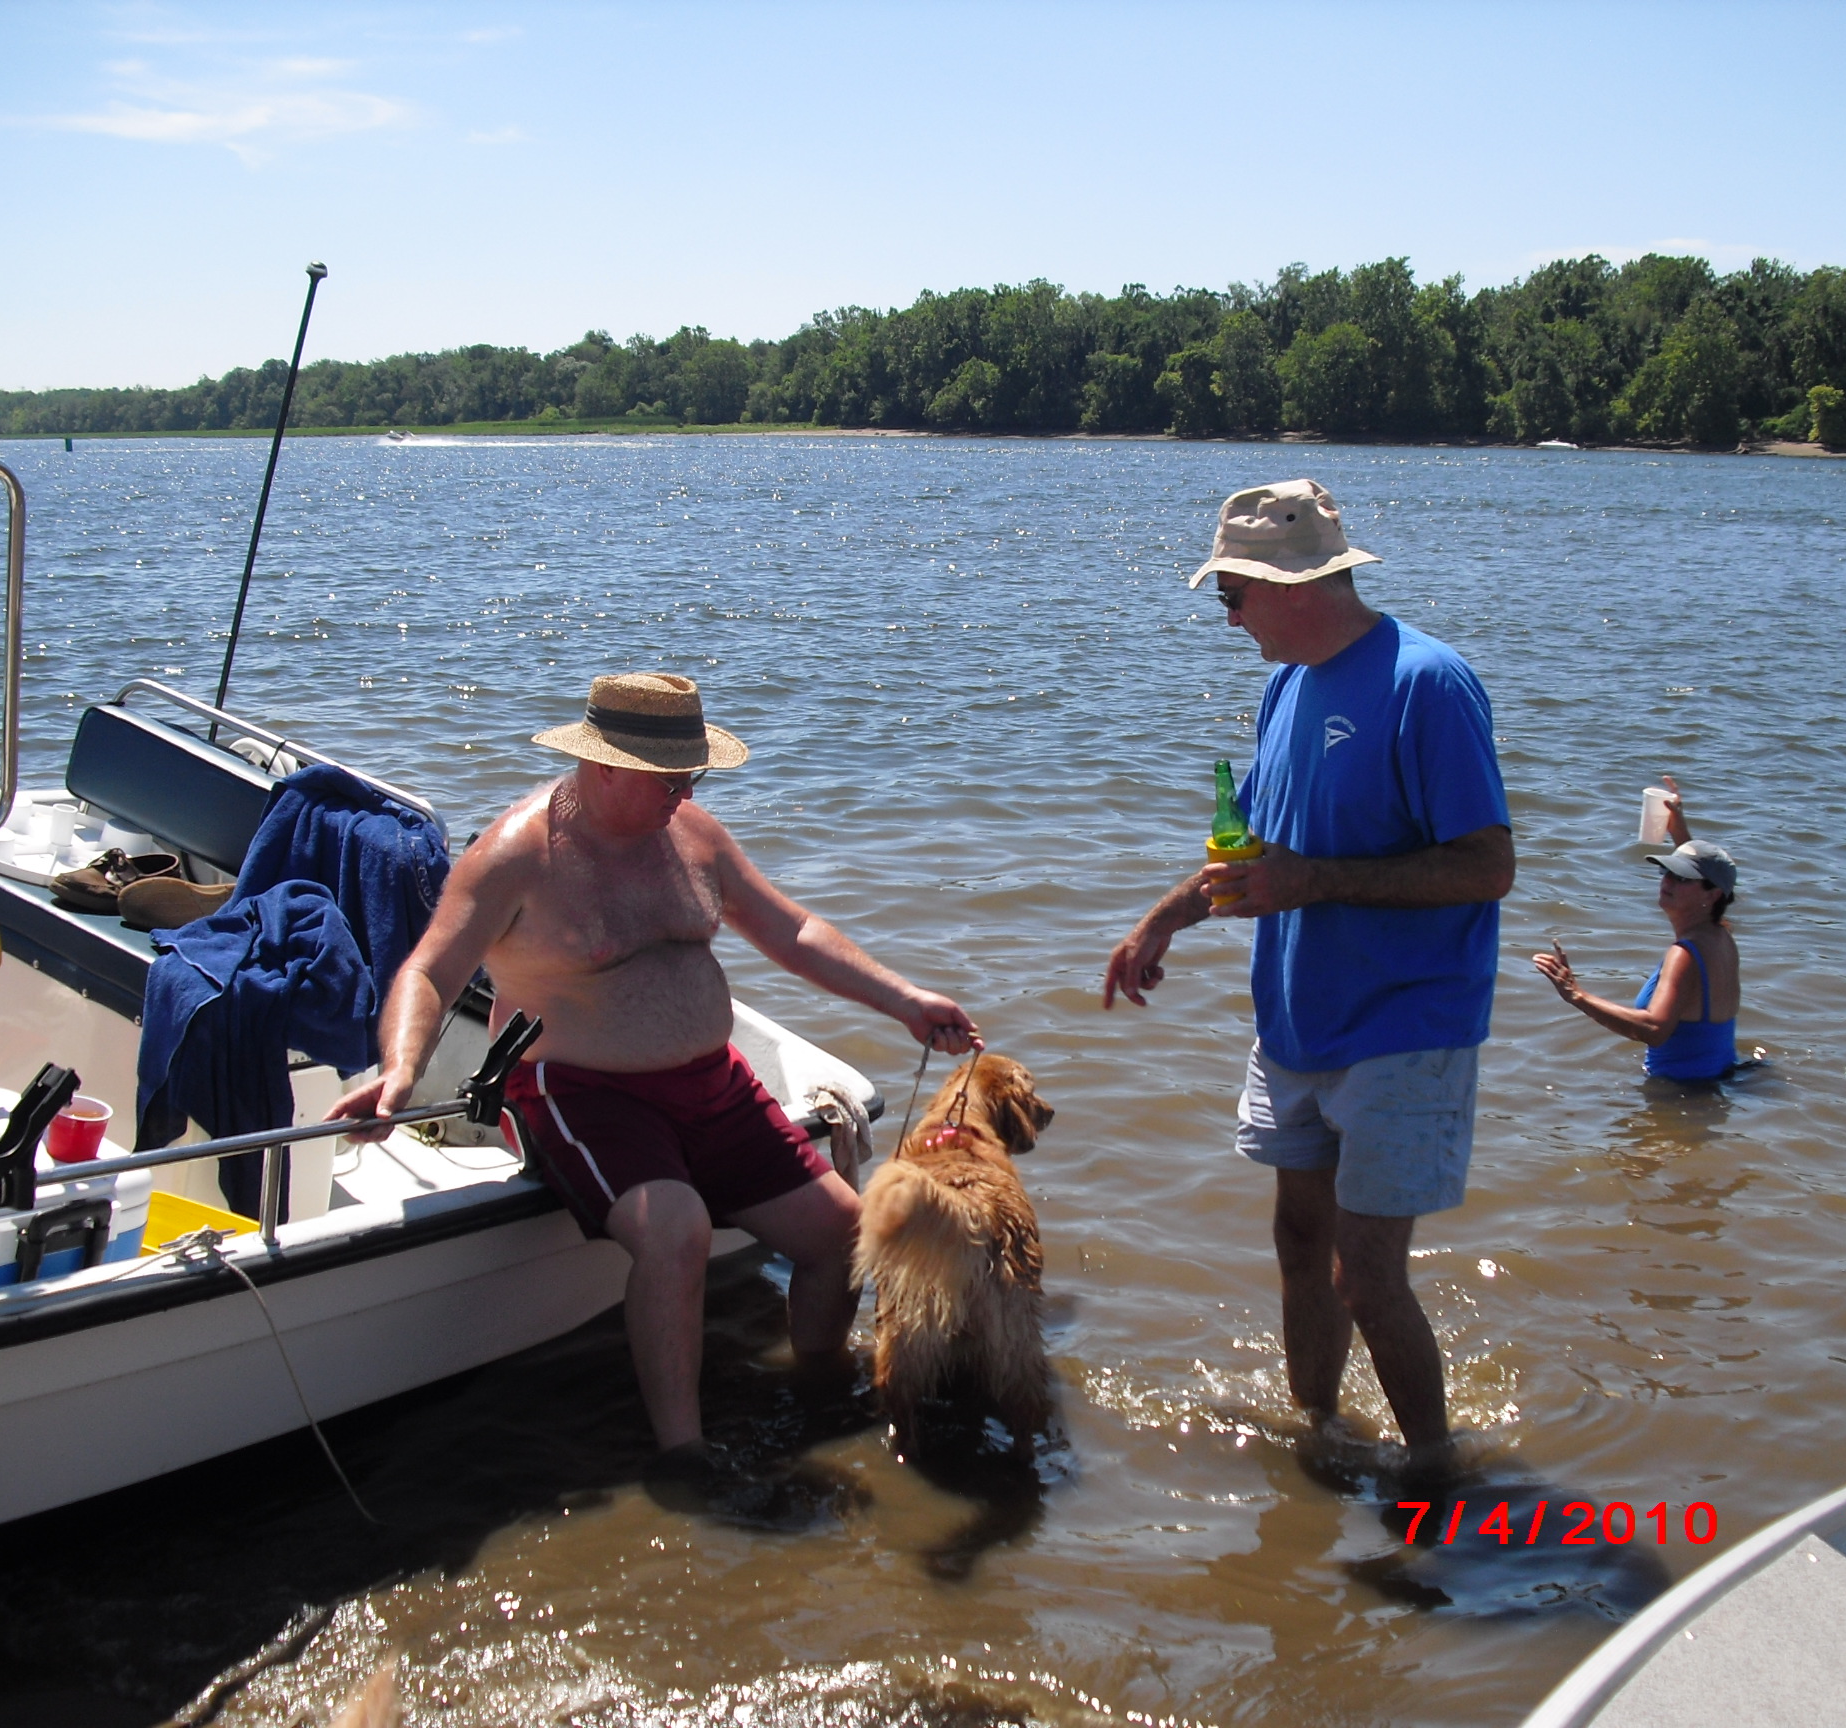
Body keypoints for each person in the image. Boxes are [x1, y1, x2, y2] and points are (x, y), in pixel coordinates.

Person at [328, 672, 977, 1478]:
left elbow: (793, 929)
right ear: (605, 766)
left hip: (714, 1082)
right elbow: (429, 972)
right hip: (577, 1091)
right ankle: (683, 1456)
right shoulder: (518, 856)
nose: (686, 794)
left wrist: (906, 1000)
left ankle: (819, 1390)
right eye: (671, 779)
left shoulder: (695, 836)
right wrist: (402, 1072)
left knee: (845, 1232)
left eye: (693, 778)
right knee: (677, 1231)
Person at [1102, 479, 1514, 1474]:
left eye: (1230, 598)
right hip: (1295, 1019)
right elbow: (1255, 859)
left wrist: (1314, 881)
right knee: (1298, 1244)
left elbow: (1487, 865)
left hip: (1405, 1027)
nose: (1229, 620)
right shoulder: (1286, 684)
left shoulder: (1428, 683)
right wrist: (1163, 919)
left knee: (1367, 1278)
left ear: (1285, 585)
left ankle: (1436, 1472)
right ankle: (1319, 1438)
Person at [1532, 777, 1741, 1082]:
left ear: (1712, 895)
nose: (1667, 882)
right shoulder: (1721, 936)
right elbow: (1714, 878)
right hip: (1720, 1078)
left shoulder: (1684, 954)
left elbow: (1654, 1030)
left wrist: (1576, 995)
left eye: (1681, 878)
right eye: (1666, 871)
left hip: (1682, 1093)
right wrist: (1678, 829)